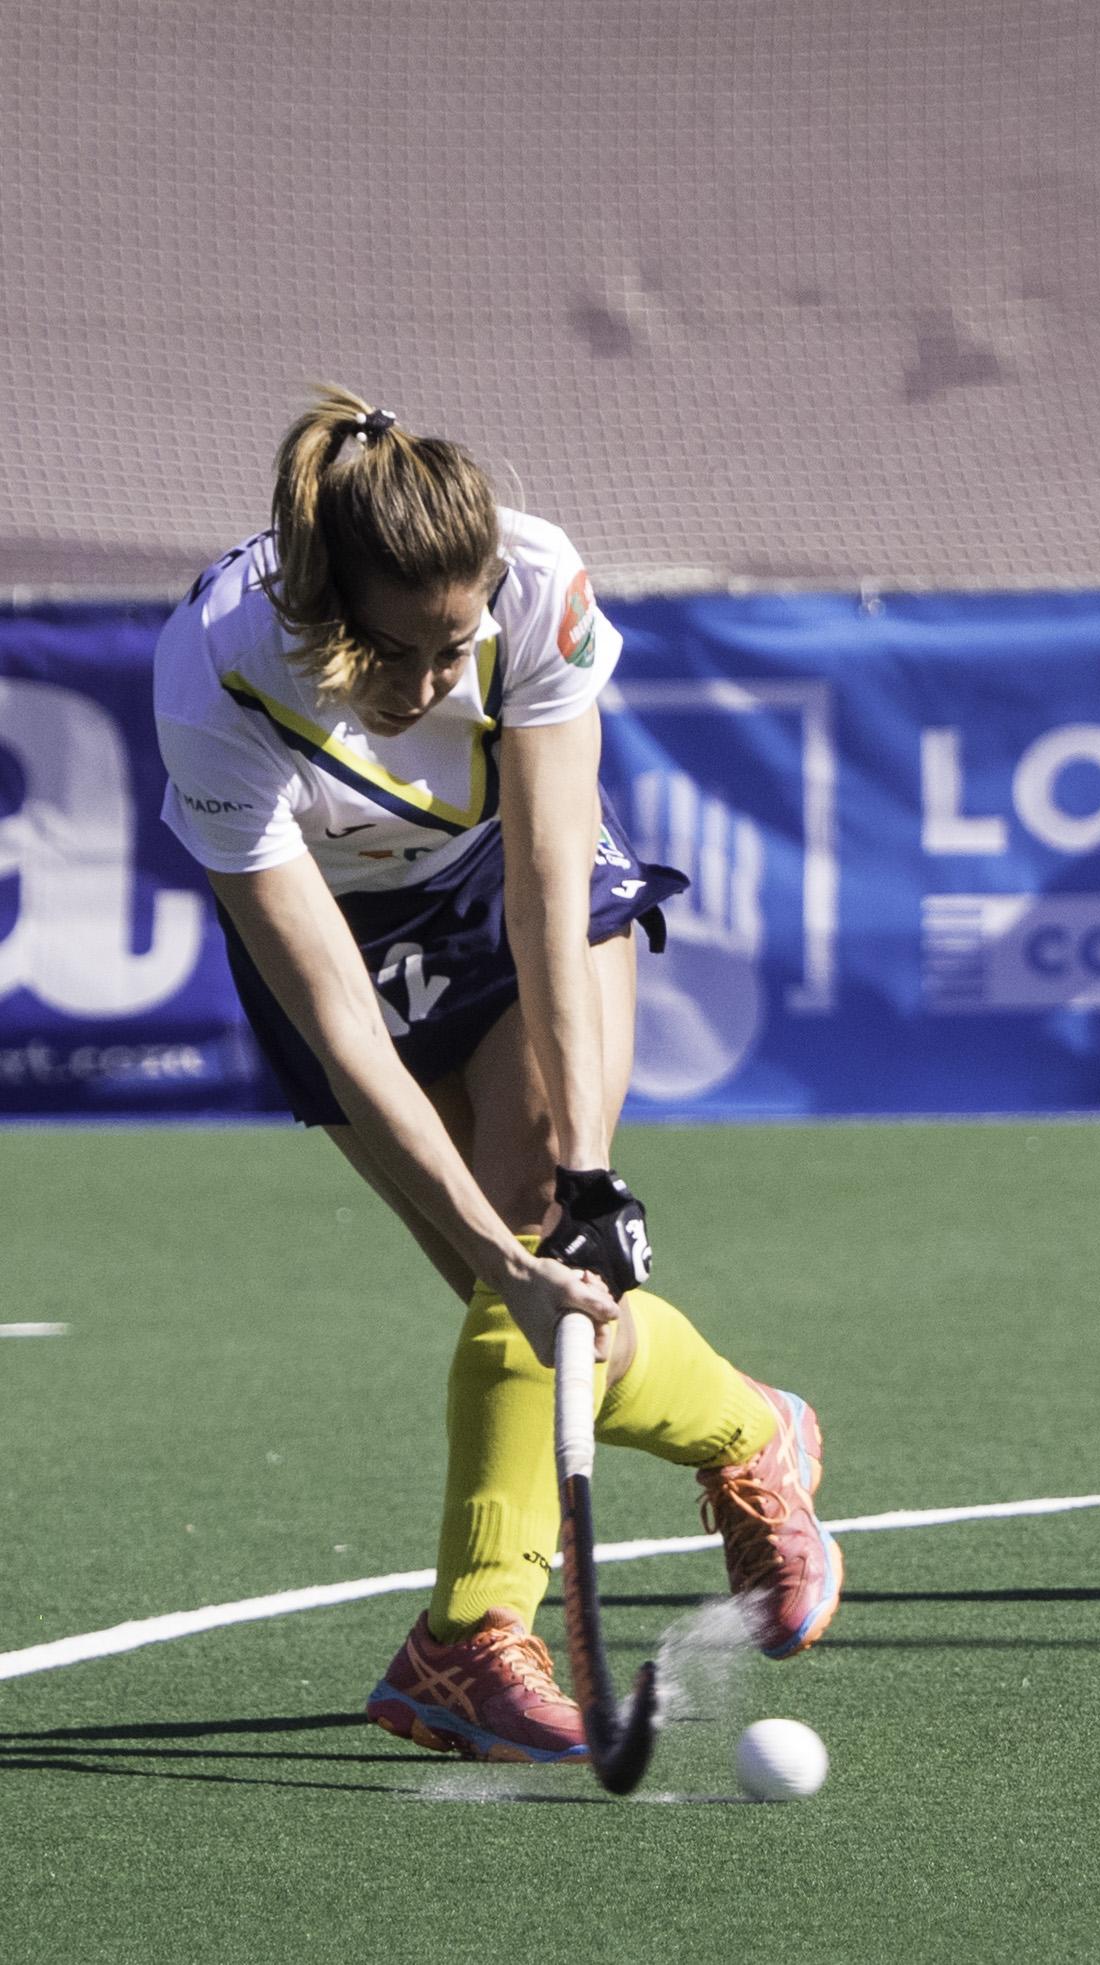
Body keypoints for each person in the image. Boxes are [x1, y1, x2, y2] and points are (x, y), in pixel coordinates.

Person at [152, 388, 843, 1762]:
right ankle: (751, 1428)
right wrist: (505, 1256)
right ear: (322, 612)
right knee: (513, 1301)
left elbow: (545, 882)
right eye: (393, 653)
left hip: (493, 889)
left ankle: (466, 1640)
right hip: (334, 933)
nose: (428, 685)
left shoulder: (537, 584)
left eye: (452, 646)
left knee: (539, 1224)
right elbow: (340, 1015)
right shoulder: (215, 677)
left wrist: (585, 1175)